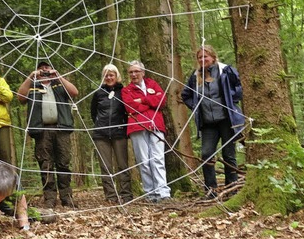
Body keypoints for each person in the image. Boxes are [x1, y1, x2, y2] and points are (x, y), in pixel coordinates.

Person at [181, 45, 245, 198]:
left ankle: (232, 188)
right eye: (200, 57)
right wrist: (196, 106)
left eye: (206, 56)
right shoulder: (195, 76)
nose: (203, 60)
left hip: (226, 119)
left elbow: (239, 87)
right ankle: (211, 190)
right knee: (206, 154)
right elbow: (186, 94)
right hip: (208, 123)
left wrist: (231, 99)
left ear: (213, 57)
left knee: (229, 154)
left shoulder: (225, 71)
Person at [17, 61, 79, 209]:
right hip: (41, 130)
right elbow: (20, 97)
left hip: (61, 128)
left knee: (63, 163)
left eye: (47, 67)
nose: (44, 70)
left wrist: (58, 75)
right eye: (41, 68)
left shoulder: (59, 84)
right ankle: (50, 198)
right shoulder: (33, 86)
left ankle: (67, 197)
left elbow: (74, 92)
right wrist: (31, 76)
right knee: (46, 165)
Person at [121, 60, 171, 203]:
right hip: (137, 127)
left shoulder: (152, 84)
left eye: (136, 71)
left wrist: (142, 100)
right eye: (131, 72)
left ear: (143, 72)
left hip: (156, 126)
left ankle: (163, 192)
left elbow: (162, 101)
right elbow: (130, 108)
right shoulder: (126, 90)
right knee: (144, 160)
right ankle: (150, 194)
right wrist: (150, 103)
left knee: (158, 159)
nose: (134, 74)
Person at [90, 64, 133, 204]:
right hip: (101, 134)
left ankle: (126, 195)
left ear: (116, 76)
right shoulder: (98, 93)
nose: (109, 78)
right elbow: (93, 112)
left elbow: (128, 111)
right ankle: (111, 196)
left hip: (119, 132)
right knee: (106, 166)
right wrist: (100, 124)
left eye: (111, 75)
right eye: (106, 75)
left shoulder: (124, 91)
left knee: (122, 164)